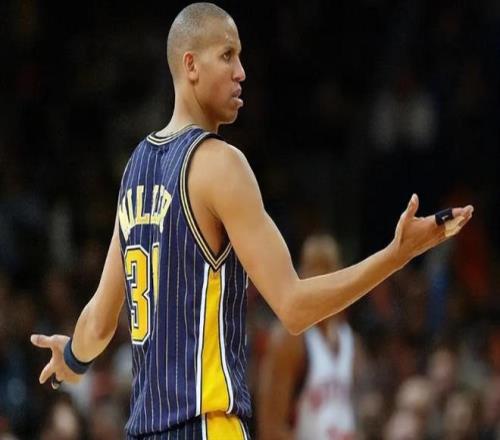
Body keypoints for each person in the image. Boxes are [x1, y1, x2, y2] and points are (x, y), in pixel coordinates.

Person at [30, 2, 474, 439]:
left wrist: (71, 358)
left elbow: (98, 323)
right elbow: (293, 307)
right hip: (207, 425)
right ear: (190, 65)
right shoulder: (220, 163)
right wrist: (397, 255)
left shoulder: (135, 168)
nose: (241, 72)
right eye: (227, 55)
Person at [257, 234, 362, 440]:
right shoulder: (289, 339)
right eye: (316, 276)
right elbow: (270, 430)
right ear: (302, 277)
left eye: (328, 275)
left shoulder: (350, 340)